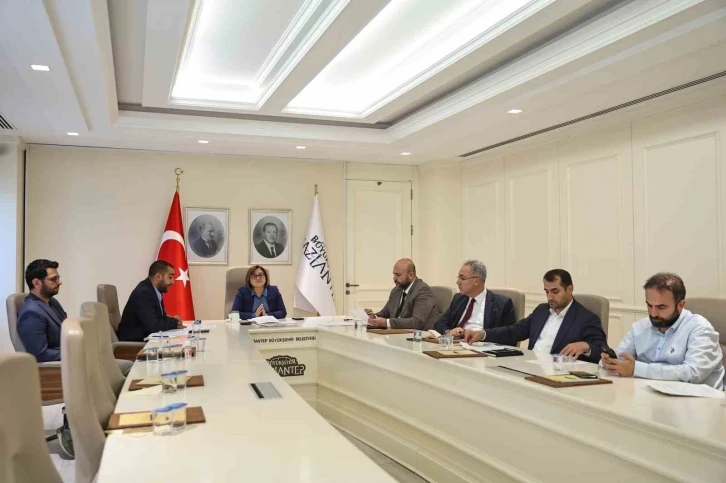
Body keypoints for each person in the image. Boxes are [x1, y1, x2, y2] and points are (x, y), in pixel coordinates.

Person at [602, 272, 724, 389]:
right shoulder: (640, 327)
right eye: (649, 305)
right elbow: (620, 357)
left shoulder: (700, 328)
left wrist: (636, 369)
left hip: (700, 398)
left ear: (681, 305)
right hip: (651, 394)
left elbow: (693, 373)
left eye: (661, 307)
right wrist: (610, 362)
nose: (653, 313)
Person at [464, 269, 606, 362]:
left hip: (558, 373)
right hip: (530, 366)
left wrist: (586, 346)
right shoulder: (542, 310)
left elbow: (603, 350)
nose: (549, 297)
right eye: (546, 291)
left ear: (569, 289)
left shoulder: (586, 318)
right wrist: (483, 334)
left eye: (555, 291)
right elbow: (514, 331)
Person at [433, 260, 516, 344]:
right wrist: (449, 331)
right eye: (458, 278)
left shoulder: (502, 304)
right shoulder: (458, 299)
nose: (458, 282)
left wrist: (482, 335)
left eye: (462, 278)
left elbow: (510, 336)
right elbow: (439, 324)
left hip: (482, 347)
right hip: (456, 345)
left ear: (476, 281)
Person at [117, 260, 185, 342]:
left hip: (144, 338)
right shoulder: (144, 293)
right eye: (170, 277)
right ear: (158, 276)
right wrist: (174, 322)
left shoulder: (153, 290)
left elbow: (160, 318)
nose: (173, 282)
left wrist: (173, 321)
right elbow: (154, 326)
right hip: (133, 343)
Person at [364, 259, 442, 329]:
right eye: (394, 274)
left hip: (419, 337)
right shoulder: (396, 290)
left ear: (411, 275)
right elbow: (385, 313)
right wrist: (374, 317)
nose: (394, 278)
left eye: (398, 275)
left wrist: (386, 323)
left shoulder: (422, 290)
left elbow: (417, 322)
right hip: (398, 335)